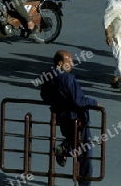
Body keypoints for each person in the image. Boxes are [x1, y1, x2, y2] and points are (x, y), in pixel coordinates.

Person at [40, 50, 101, 186]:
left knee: (74, 141)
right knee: (85, 153)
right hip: (76, 118)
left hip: (62, 117)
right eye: (69, 62)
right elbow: (78, 100)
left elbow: (44, 96)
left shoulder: (48, 77)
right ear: (60, 63)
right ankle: (83, 183)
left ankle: (64, 148)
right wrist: (94, 102)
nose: (72, 64)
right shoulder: (67, 79)